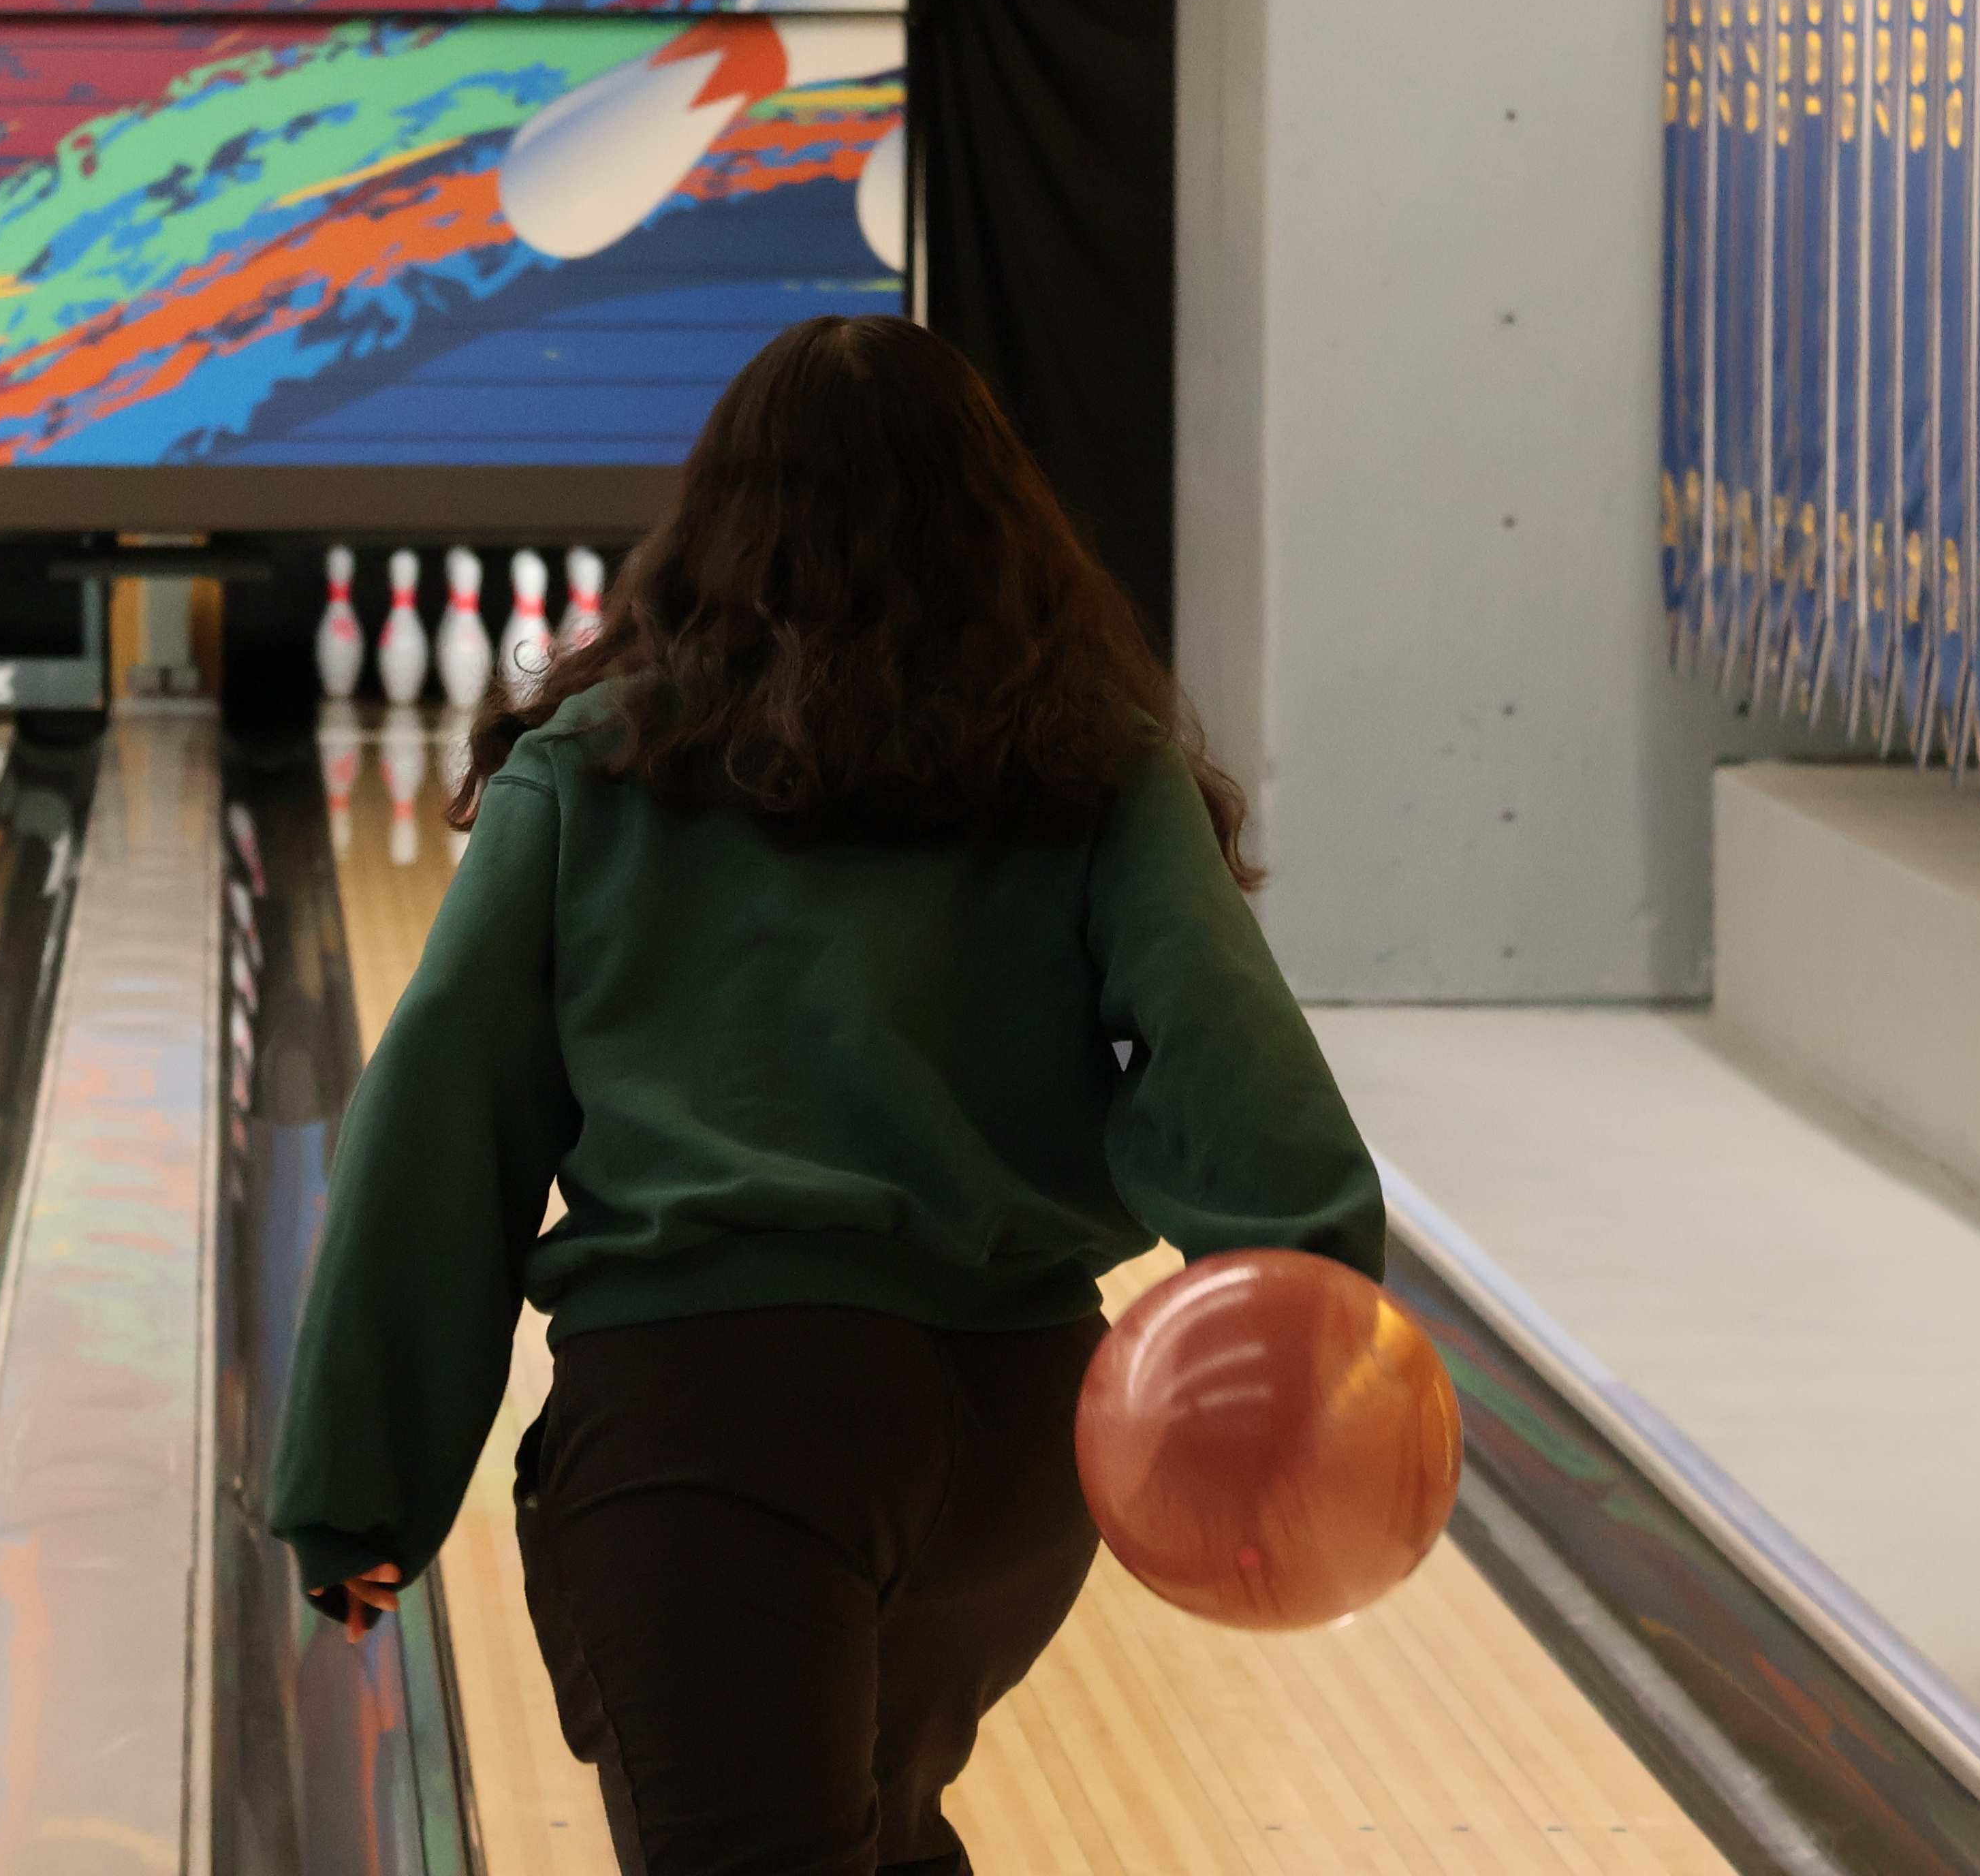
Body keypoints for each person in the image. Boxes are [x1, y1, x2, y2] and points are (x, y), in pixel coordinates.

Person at [268, 315, 1383, 1876]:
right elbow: (1240, 1069)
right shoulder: (1094, 766)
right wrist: (1309, 1347)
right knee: (876, 1835)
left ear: (716, 515)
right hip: (1014, 1448)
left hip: (714, 1424)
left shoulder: (592, 770)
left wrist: (360, 1497)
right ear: (1007, 521)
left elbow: (443, 1121)